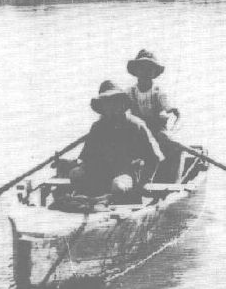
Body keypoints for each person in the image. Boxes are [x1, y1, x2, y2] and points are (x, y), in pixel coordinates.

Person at [65, 80, 164, 209]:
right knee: (75, 173)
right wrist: (73, 165)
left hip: (126, 174)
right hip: (101, 174)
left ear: (122, 103)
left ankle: (114, 205)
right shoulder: (97, 127)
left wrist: (143, 184)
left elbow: (155, 157)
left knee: (118, 185)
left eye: (114, 101)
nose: (111, 106)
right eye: (106, 102)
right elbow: (87, 158)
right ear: (102, 106)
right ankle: (89, 199)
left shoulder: (136, 125)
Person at [126, 49, 181, 183]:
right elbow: (121, 108)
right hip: (138, 129)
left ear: (154, 72)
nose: (145, 72)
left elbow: (170, 109)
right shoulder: (130, 92)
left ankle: (171, 181)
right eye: (142, 68)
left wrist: (172, 111)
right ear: (136, 71)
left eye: (149, 69)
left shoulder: (158, 92)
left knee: (175, 148)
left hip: (156, 128)